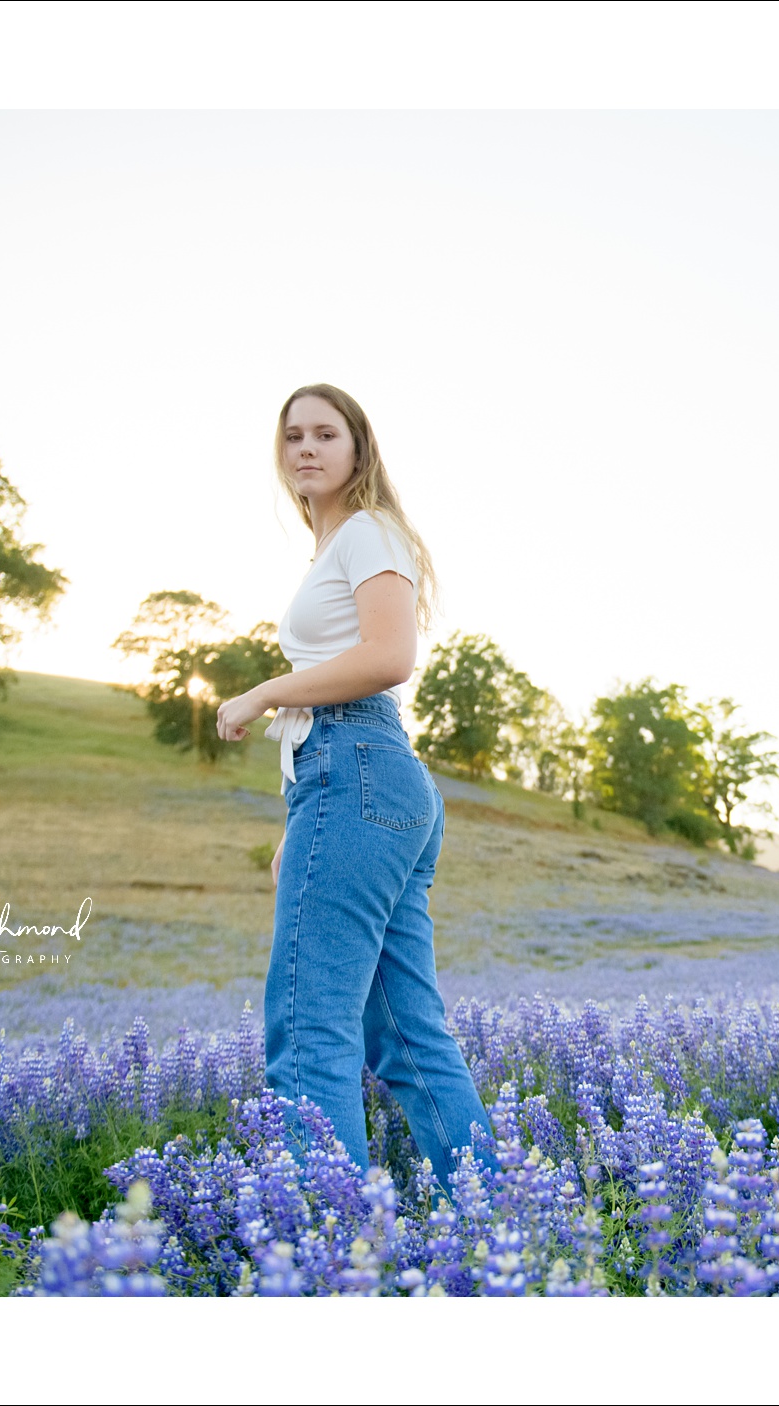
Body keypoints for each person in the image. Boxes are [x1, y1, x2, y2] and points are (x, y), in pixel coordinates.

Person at [215, 383, 495, 1184]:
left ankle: (335, 1251)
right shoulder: (344, 543)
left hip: (358, 776)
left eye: (325, 434)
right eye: (292, 435)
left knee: (309, 1031)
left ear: (358, 449)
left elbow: (389, 657)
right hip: (363, 784)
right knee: (407, 1036)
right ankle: (503, 1219)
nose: (305, 447)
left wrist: (266, 690)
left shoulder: (368, 532)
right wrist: (298, 824)